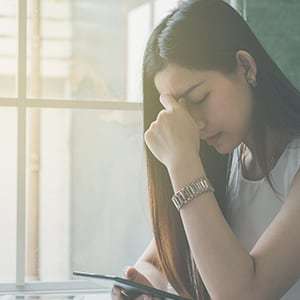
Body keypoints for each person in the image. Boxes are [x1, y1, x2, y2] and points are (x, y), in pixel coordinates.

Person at [112, 0, 300, 299]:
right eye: (178, 110)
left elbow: (243, 295)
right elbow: (160, 257)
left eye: (198, 97)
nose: (193, 124)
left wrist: (181, 162)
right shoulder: (224, 160)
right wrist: (146, 282)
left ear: (246, 67)